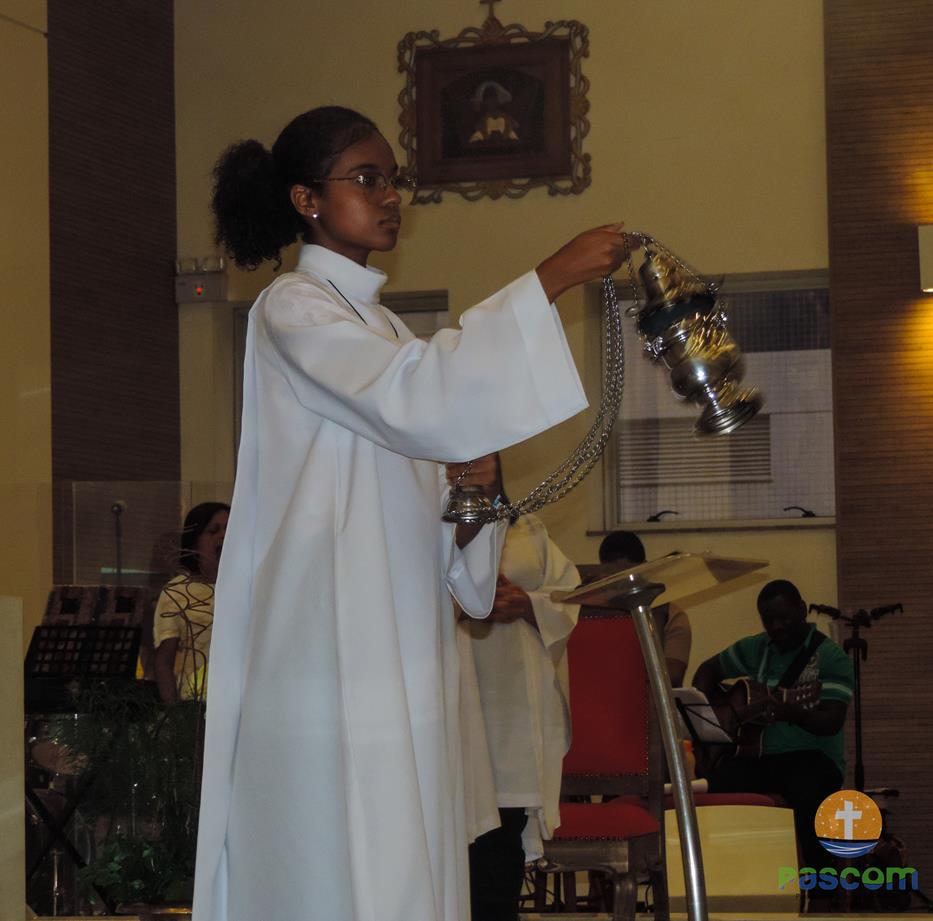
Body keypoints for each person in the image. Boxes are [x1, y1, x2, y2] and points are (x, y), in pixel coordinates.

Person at [193, 104, 631, 921]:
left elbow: (447, 541)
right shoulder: (292, 307)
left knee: (405, 856)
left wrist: (477, 494)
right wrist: (550, 277)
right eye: (367, 178)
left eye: (393, 179)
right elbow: (416, 395)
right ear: (306, 200)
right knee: (335, 857)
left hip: (402, 641)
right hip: (326, 643)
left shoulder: (388, 327)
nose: (390, 195)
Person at [451, 454, 580, 921]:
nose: (471, 464)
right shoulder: (426, 527)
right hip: (456, 699)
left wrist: (526, 604)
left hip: (512, 714)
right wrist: (470, 599)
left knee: (499, 847)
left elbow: (567, 598)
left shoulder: (527, 529)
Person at [691, 579, 854, 871]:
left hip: (813, 758)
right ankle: (728, 875)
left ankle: (821, 883)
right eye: (769, 620)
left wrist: (792, 713)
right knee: (713, 788)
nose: (777, 627)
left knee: (807, 800)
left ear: (802, 610)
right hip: (758, 758)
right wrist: (711, 719)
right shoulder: (756, 647)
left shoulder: (830, 657)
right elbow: (707, 669)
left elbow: (831, 721)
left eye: (784, 618)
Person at [153, 502, 229, 704]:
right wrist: (175, 713)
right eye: (213, 531)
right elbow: (164, 661)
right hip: (195, 702)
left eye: (229, 529)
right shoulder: (177, 591)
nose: (223, 536)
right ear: (194, 543)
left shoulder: (246, 586)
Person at [596, 530, 692, 685]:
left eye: (630, 575)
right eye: (614, 578)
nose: (624, 585)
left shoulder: (671, 615)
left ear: (645, 569)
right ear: (601, 574)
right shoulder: (590, 612)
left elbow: (672, 675)